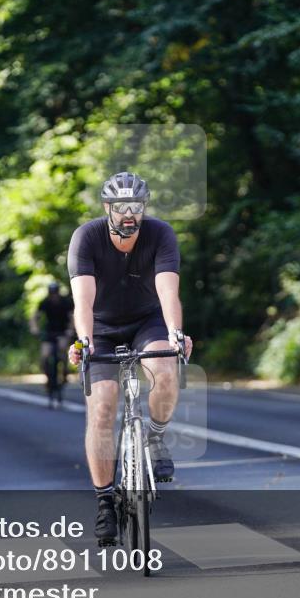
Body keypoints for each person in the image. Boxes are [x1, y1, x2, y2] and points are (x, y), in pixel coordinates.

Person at [66, 171, 193, 544]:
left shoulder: (160, 234)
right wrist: (85, 341)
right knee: (102, 407)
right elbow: (83, 301)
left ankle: (154, 437)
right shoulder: (86, 238)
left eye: (135, 206)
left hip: (147, 321)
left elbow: (168, 292)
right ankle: (105, 500)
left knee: (165, 371)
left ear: (144, 208)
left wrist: (175, 334)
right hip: (101, 326)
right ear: (107, 208)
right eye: (121, 206)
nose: (128, 214)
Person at [29, 282, 74, 395]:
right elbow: (35, 317)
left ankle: (64, 371)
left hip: (62, 331)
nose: (54, 296)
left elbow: (72, 317)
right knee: (45, 355)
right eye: (52, 294)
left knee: (62, 350)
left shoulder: (65, 302)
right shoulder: (45, 302)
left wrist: (70, 330)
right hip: (49, 332)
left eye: (55, 293)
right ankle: (47, 376)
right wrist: (35, 328)